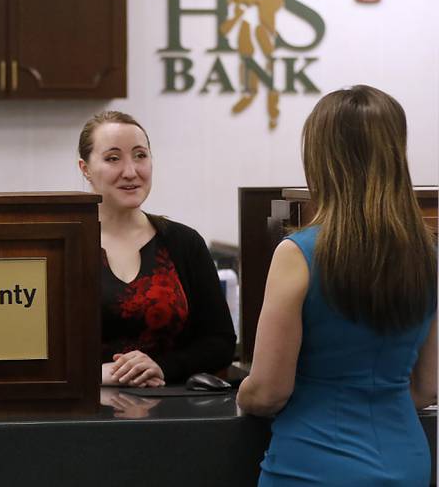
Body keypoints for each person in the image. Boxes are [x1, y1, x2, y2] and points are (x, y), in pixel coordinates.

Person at [237, 85, 437, 485]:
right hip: (407, 461)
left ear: (322, 160)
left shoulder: (298, 254)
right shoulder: (428, 255)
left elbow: (269, 391)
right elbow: (427, 386)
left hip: (311, 465)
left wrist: (242, 392)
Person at [77, 110, 236, 388]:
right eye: (113, 158)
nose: (131, 171)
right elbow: (34, 346)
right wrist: (91, 374)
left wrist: (163, 367)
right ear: (85, 169)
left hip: (173, 411)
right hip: (83, 413)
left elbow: (220, 342)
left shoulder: (184, 243)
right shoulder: (63, 246)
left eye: (140, 155)